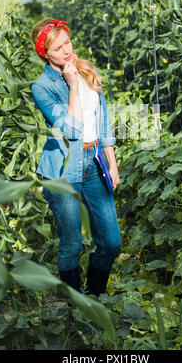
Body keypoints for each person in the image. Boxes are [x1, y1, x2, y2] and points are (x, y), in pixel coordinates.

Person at [30, 18, 121, 297]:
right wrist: (71, 85)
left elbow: (102, 119)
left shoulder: (87, 69)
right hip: (63, 167)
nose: (66, 51)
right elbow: (71, 129)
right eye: (57, 48)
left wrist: (112, 162)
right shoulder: (43, 86)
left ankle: (94, 295)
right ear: (45, 53)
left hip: (94, 161)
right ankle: (75, 306)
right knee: (72, 244)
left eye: (67, 42)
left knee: (111, 242)